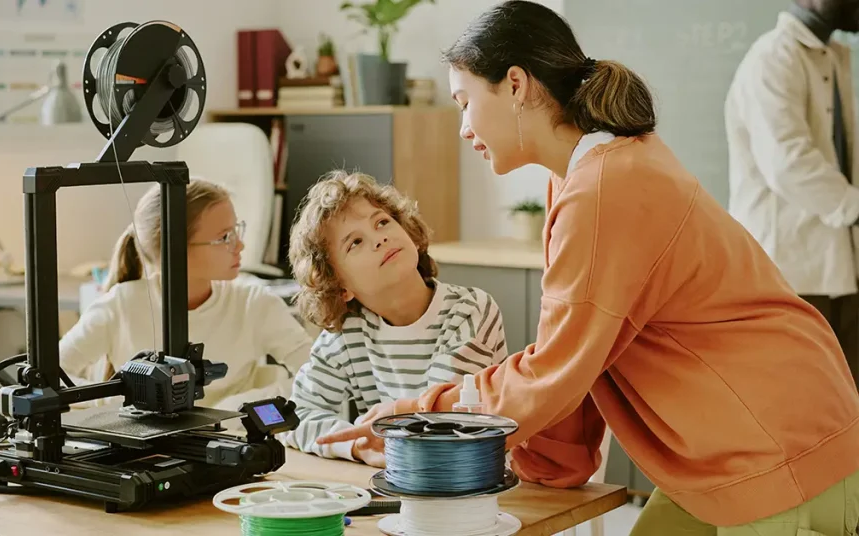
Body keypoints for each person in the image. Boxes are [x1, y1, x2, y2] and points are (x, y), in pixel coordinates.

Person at [317, 2, 859, 534]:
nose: (462, 127)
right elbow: (581, 356)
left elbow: (556, 369)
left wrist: (417, 416)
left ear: (514, 84)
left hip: (774, 444)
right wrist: (550, 468)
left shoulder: (604, 188)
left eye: (464, 102)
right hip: (739, 443)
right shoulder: (584, 177)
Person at [280, 171, 508, 467]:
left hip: (473, 481)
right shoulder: (347, 333)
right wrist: (358, 445)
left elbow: (439, 423)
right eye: (355, 242)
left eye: (382, 222)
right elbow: (294, 418)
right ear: (339, 286)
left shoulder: (468, 309)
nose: (379, 238)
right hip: (398, 481)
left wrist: (379, 438)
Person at [59, 180, 314, 413]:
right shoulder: (121, 305)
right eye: (224, 237)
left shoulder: (254, 303)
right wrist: (125, 400)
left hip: (230, 441)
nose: (240, 246)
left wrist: (237, 408)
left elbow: (318, 376)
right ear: (176, 250)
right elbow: (51, 376)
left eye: (237, 231)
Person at [726, 0, 859, 391]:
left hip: (839, 272)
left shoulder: (833, 57)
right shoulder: (772, 58)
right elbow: (788, 163)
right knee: (799, 407)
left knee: (844, 407)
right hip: (789, 275)